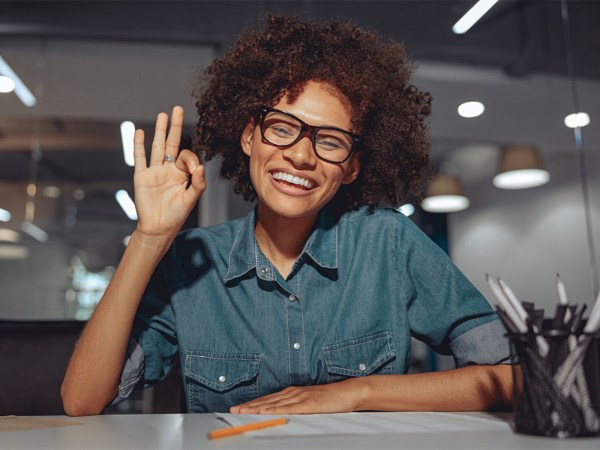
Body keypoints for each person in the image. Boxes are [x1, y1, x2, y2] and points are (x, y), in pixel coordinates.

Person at [61, 14, 513, 416]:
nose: (300, 156)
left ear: (351, 166)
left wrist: (359, 391)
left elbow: (513, 376)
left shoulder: (388, 242)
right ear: (248, 137)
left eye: (330, 141)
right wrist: (149, 237)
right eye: (281, 128)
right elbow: (82, 401)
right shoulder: (191, 260)